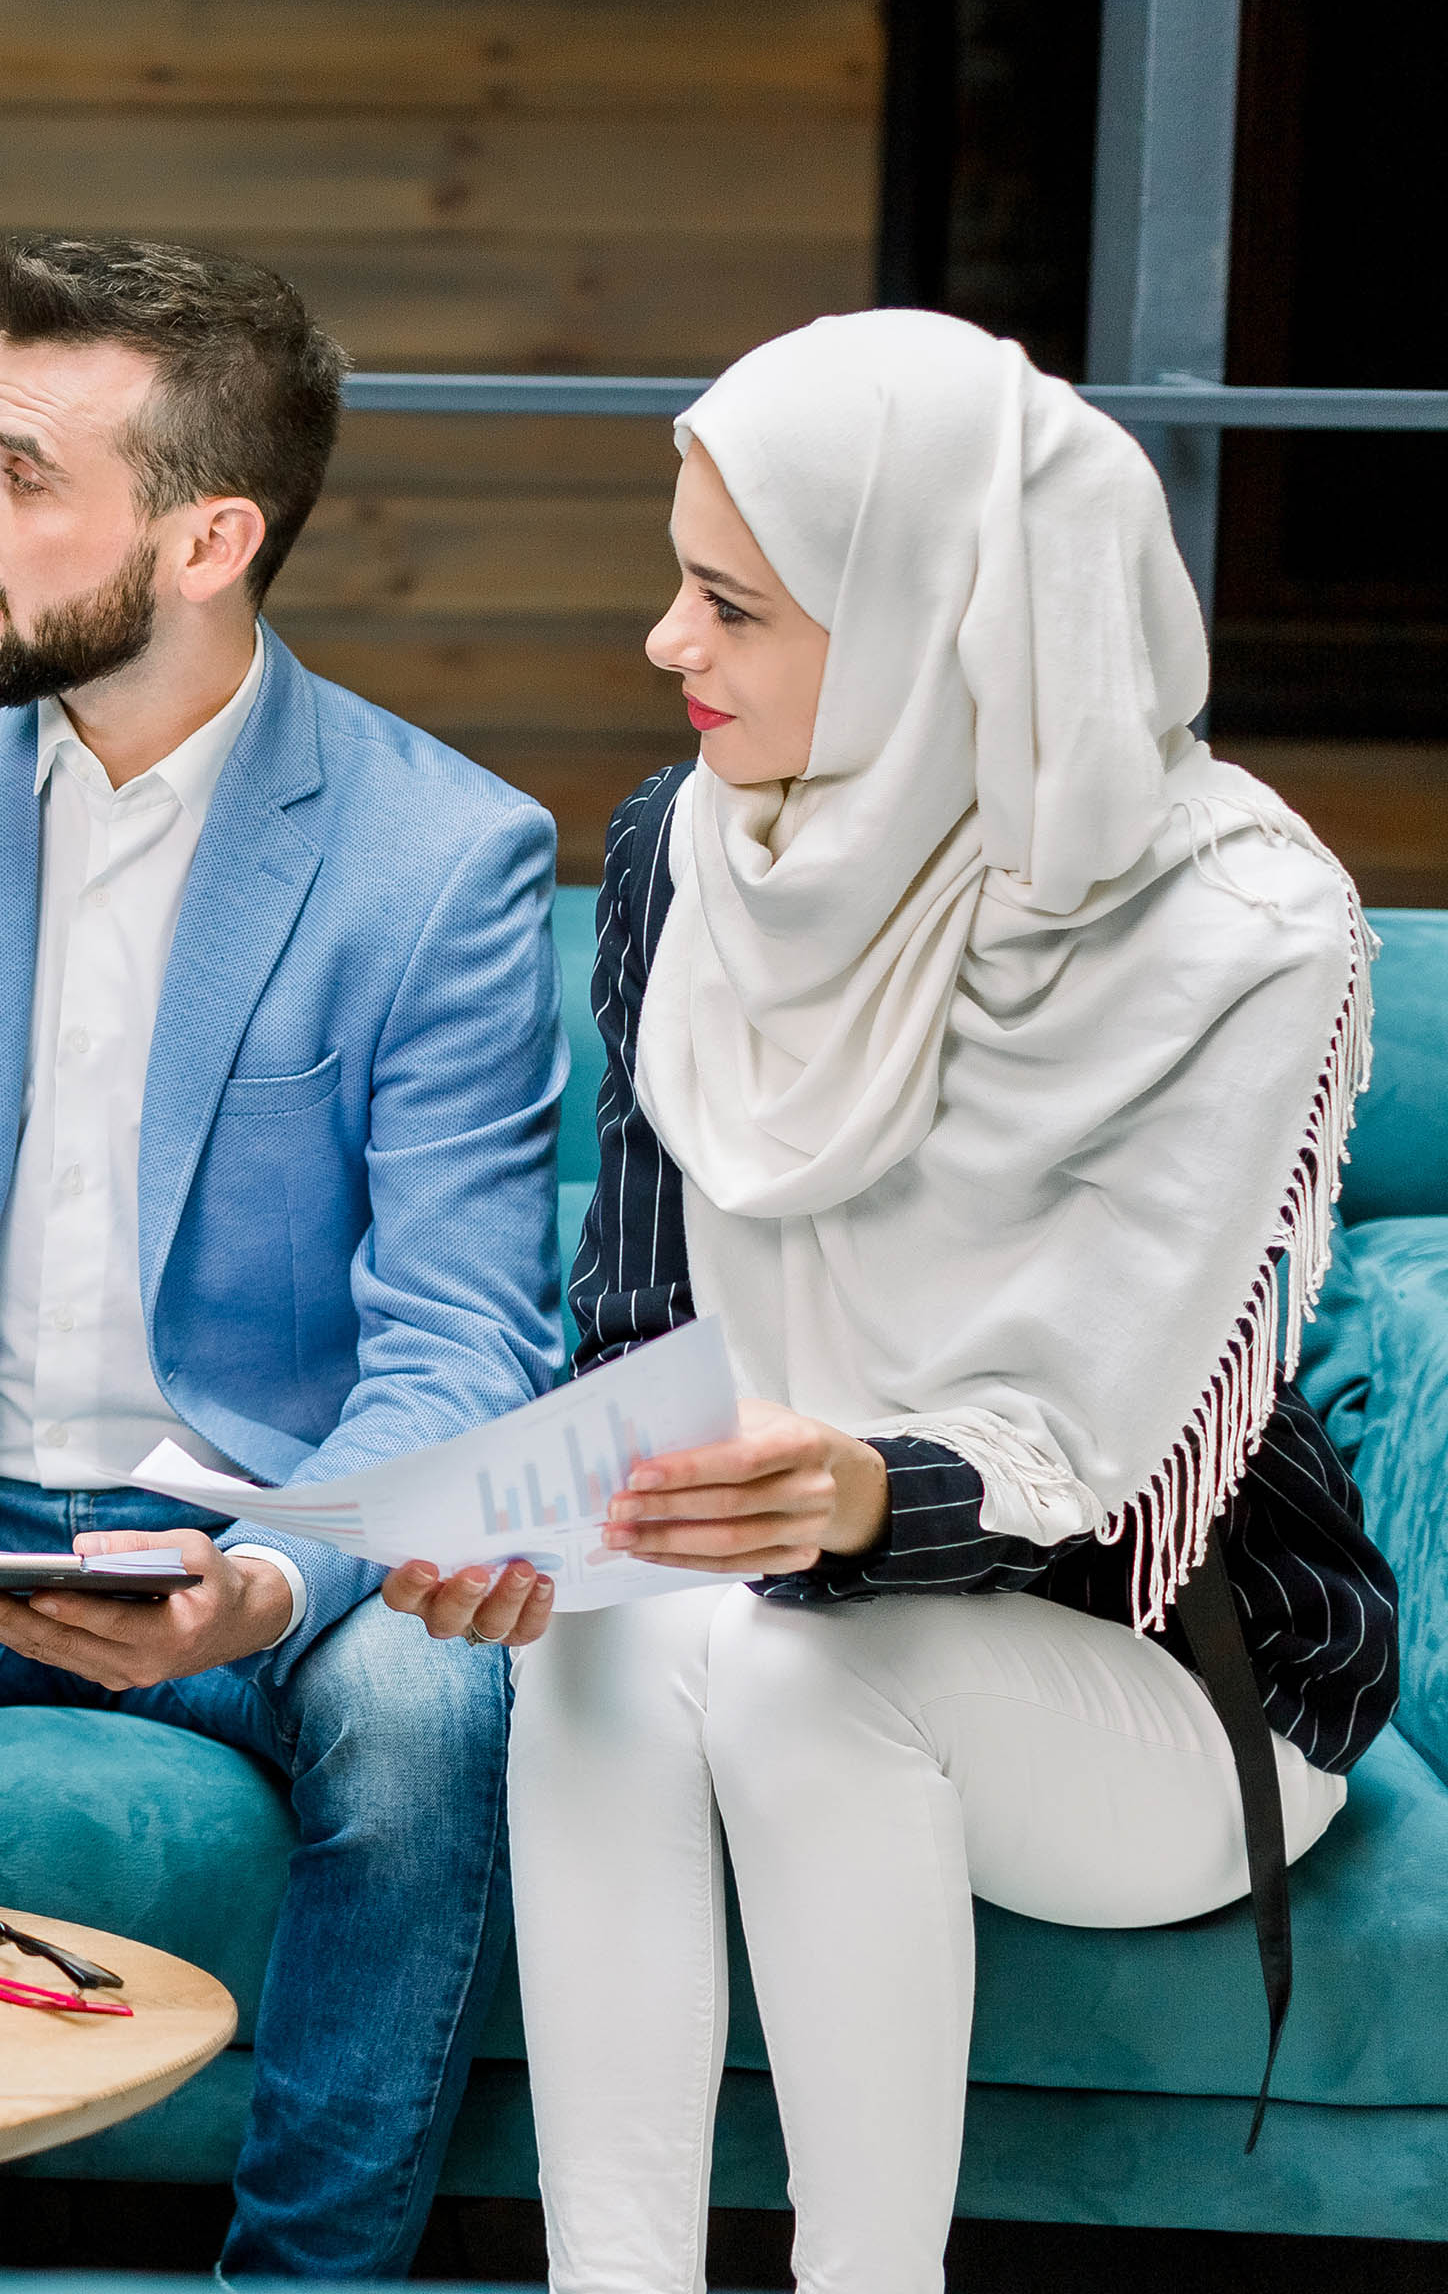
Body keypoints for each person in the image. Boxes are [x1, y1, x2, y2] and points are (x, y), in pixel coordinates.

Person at [0, 234, 568, 2278]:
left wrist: (266, 1576)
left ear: (211, 533)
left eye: (25, 477)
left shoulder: (443, 857)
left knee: (432, 1703)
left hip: (275, 1528)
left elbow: (462, 1338)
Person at [454, 309, 1397, 2292]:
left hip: (1173, 1659)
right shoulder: (682, 858)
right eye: (676, 581)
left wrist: (870, 1494)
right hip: (789, 1605)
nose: (663, 643)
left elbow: (1109, 1436)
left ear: (929, 618)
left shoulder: (1224, 924)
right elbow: (645, 1340)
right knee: (598, 1644)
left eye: (729, 601)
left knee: (806, 1666)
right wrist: (523, 1522)